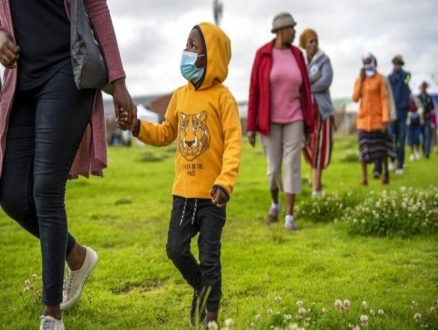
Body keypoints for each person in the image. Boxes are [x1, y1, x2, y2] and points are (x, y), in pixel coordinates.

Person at [0, 1, 136, 329]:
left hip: (68, 69)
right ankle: (76, 255)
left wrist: (117, 81)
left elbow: (96, 8)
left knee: (46, 189)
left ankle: (51, 314)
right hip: (21, 77)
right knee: (12, 195)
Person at [119, 22, 242, 328]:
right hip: (183, 193)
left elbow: (234, 146)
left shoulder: (224, 99)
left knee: (210, 258)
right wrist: (136, 126)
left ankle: (210, 318)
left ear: (210, 55)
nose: (186, 51)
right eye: (186, 44)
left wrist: (225, 183)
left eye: (193, 46)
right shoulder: (180, 96)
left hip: (213, 197)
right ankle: (201, 287)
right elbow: (165, 133)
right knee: (175, 249)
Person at [246, 12, 314, 231]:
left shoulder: (297, 55)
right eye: (291, 28)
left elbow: (306, 90)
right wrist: (250, 126)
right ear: (280, 31)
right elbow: (254, 90)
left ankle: (289, 216)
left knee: (292, 165)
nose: (295, 31)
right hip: (269, 120)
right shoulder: (263, 54)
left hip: (295, 117)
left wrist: (309, 125)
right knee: (273, 169)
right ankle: (275, 203)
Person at [299, 28, 335, 199]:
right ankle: (314, 188)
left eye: (315, 40)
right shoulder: (302, 63)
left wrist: (306, 86)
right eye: (310, 41)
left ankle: (316, 190)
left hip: (321, 111)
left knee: (319, 147)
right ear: (304, 44)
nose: (314, 44)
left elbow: (326, 81)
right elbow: (299, 82)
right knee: (305, 145)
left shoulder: (324, 60)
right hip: (305, 112)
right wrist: (312, 80)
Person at [352, 52, 394, 186]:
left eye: (368, 60)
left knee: (382, 150)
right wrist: (361, 80)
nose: (366, 63)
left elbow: (384, 99)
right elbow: (355, 98)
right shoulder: (360, 78)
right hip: (363, 121)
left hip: (378, 120)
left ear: (373, 61)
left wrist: (385, 119)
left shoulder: (380, 78)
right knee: (363, 150)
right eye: (364, 61)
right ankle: (364, 179)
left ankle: (385, 174)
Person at [371, 57, 397, 178]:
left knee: (383, 141)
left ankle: (381, 166)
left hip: (383, 116)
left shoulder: (383, 79)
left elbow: (389, 97)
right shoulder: (364, 79)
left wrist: (391, 115)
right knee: (375, 143)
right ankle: (379, 167)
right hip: (371, 118)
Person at [388, 54, 411, 174]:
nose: (396, 65)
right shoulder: (389, 78)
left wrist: (400, 71)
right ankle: (392, 161)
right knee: (391, 138)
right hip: (392, 112)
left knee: (401, 140)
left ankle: (400, 165)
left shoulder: (407, 76)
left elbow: (407, 82)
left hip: (402, 112)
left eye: (398, 63)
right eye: (395, 63)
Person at [417, 81, 435, 158]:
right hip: (420, 119)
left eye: (425, 86)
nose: (424, 88)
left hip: (427, 119)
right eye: (423, 86)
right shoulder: (418, 97)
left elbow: (432, 108)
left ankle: (426, 153)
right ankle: (423, 150)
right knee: (422, 136)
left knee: (427, 135)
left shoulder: (429, 97)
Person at [407, 94, 424, 161]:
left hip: (417, 123)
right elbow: (404, 110)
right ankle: (412, 153)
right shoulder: (405, 100)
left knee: (417, 138)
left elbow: (421, 108)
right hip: (409, 123)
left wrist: (417, 113)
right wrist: (410, 114)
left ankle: (417, 151)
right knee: (410, 138)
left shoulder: (417, 100)